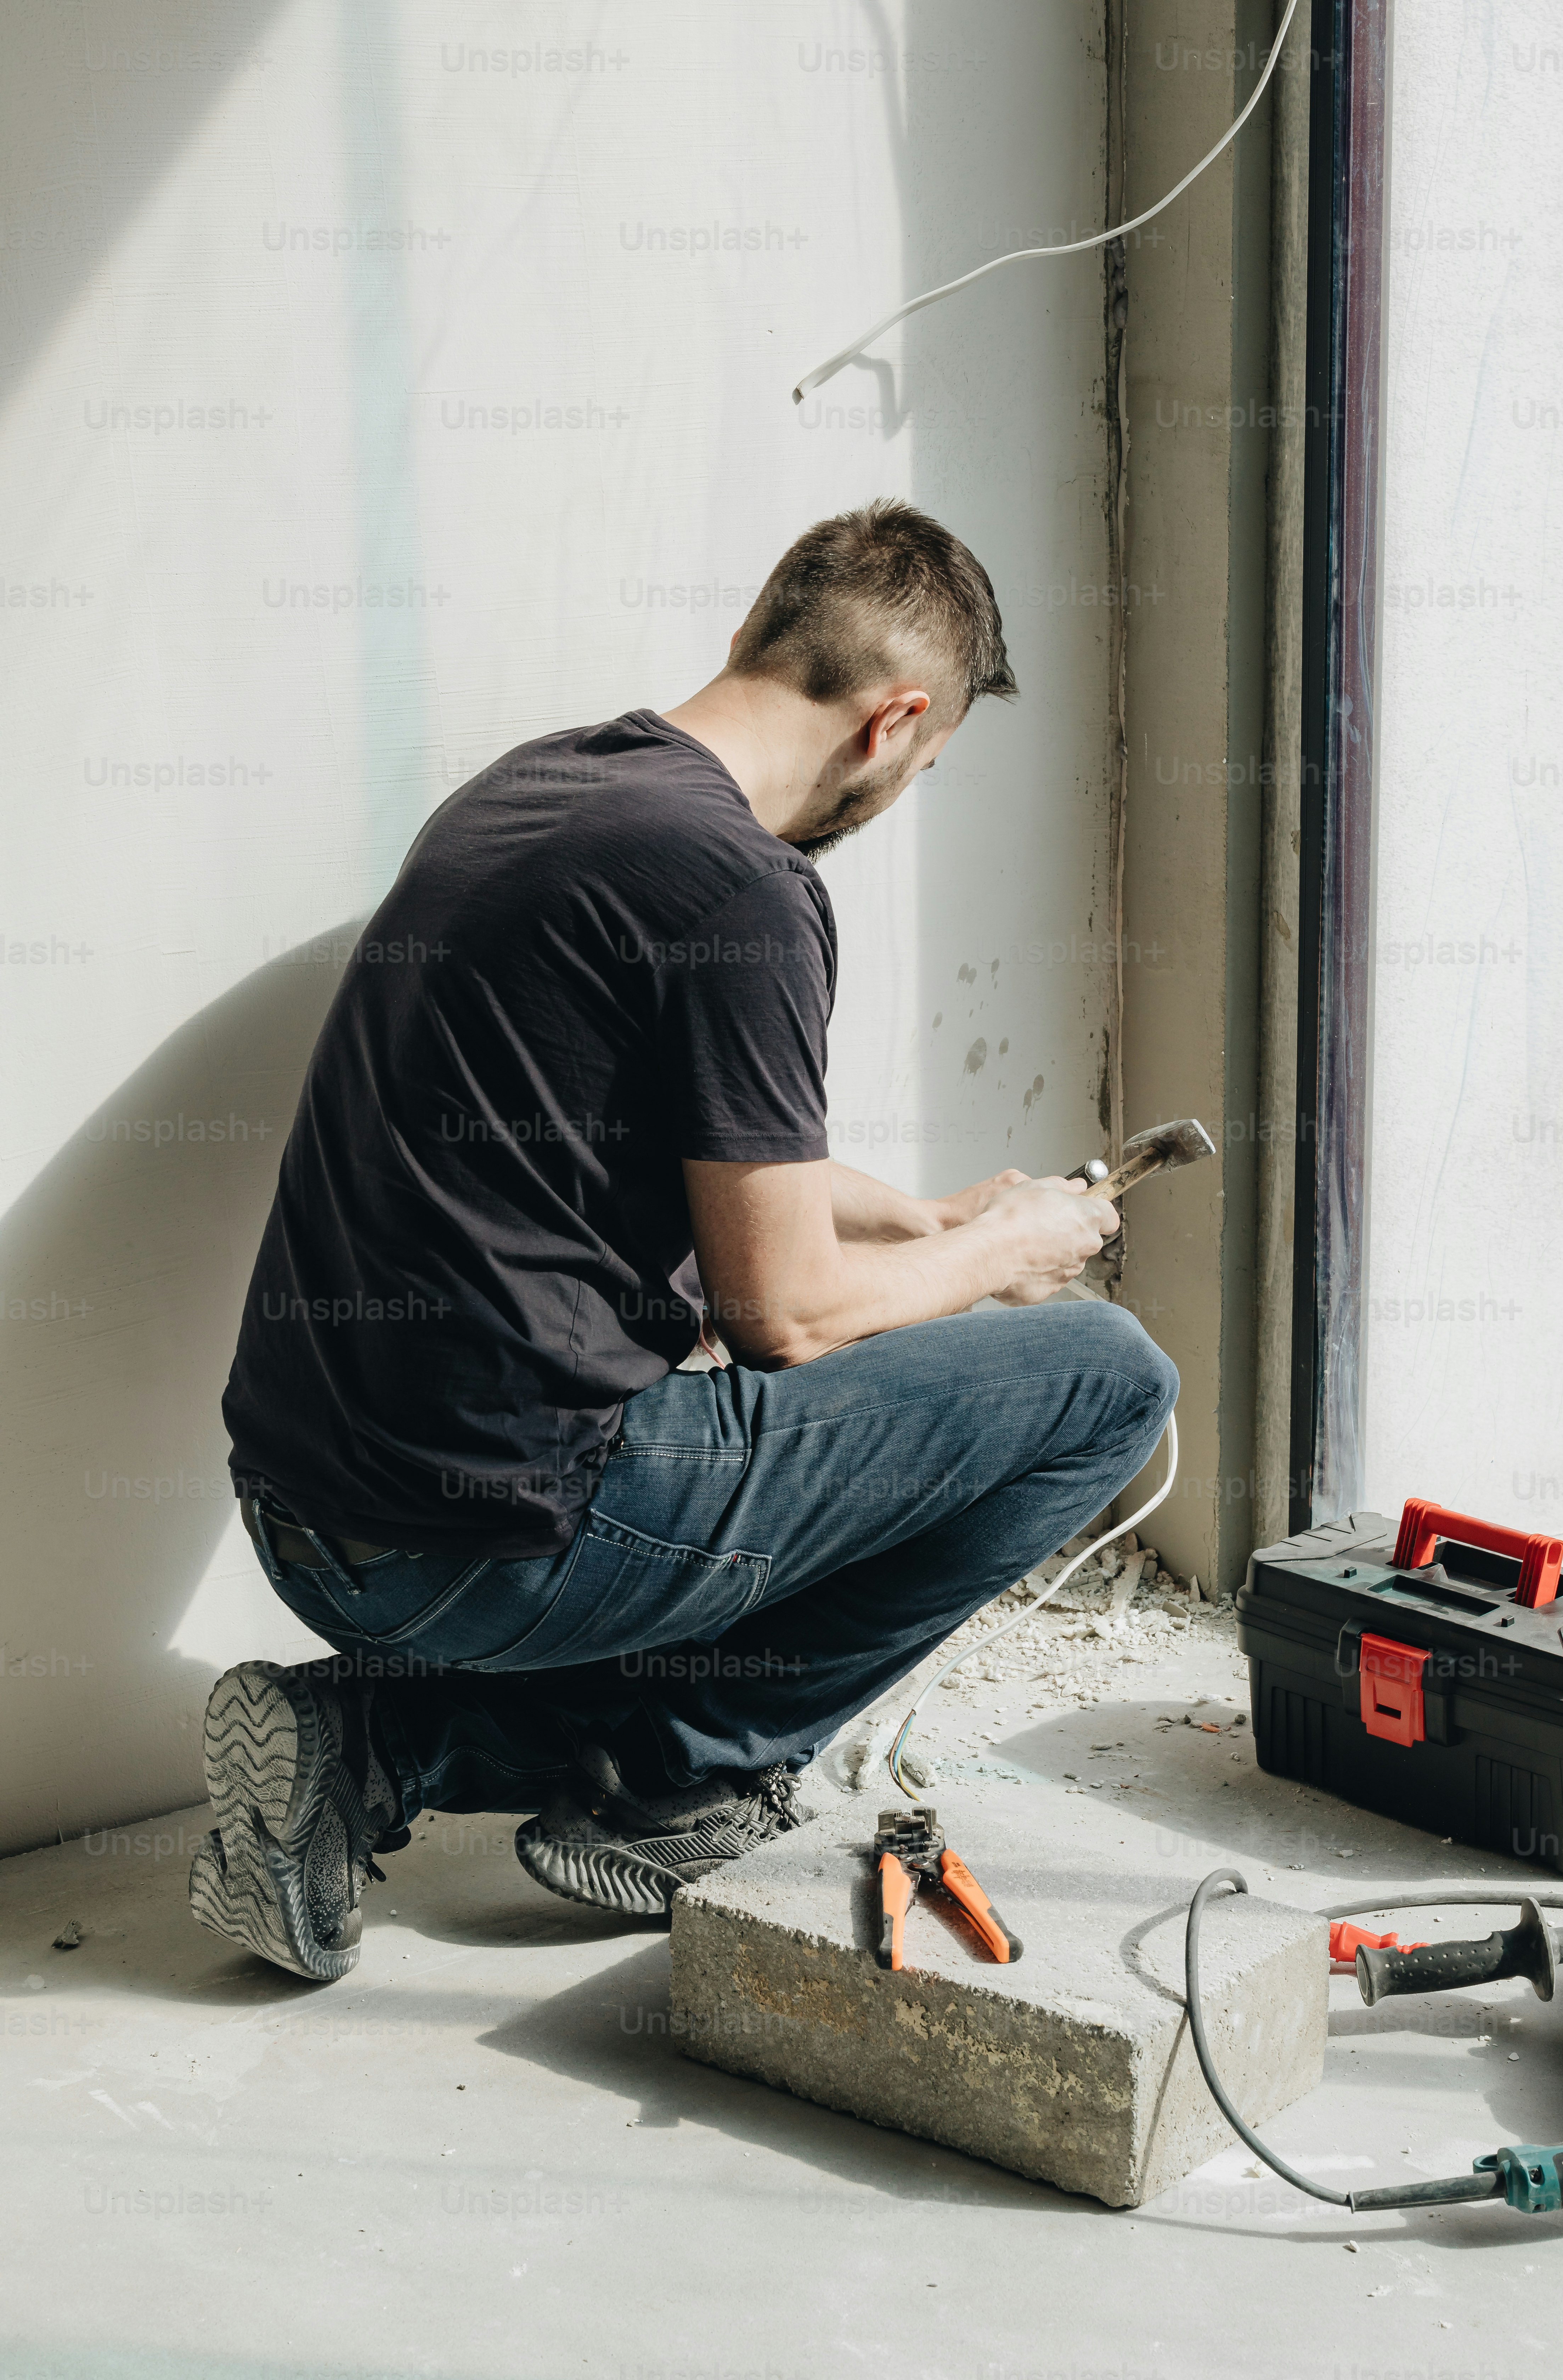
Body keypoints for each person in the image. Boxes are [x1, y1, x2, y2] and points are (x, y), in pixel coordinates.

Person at [191, 498, 1176, 1980]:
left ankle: (373, 1745)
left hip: (308, 1517)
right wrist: (1005, 1254)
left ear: (755, 636)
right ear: (896, 723)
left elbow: (679, 1143)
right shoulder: (746, 892)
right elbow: (784, 1313)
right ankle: (680, 1780)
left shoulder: (544, 787)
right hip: (483, 1554)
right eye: (925, 767)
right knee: (1108, 1377)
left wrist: (926, 1220)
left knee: (762, 1389)